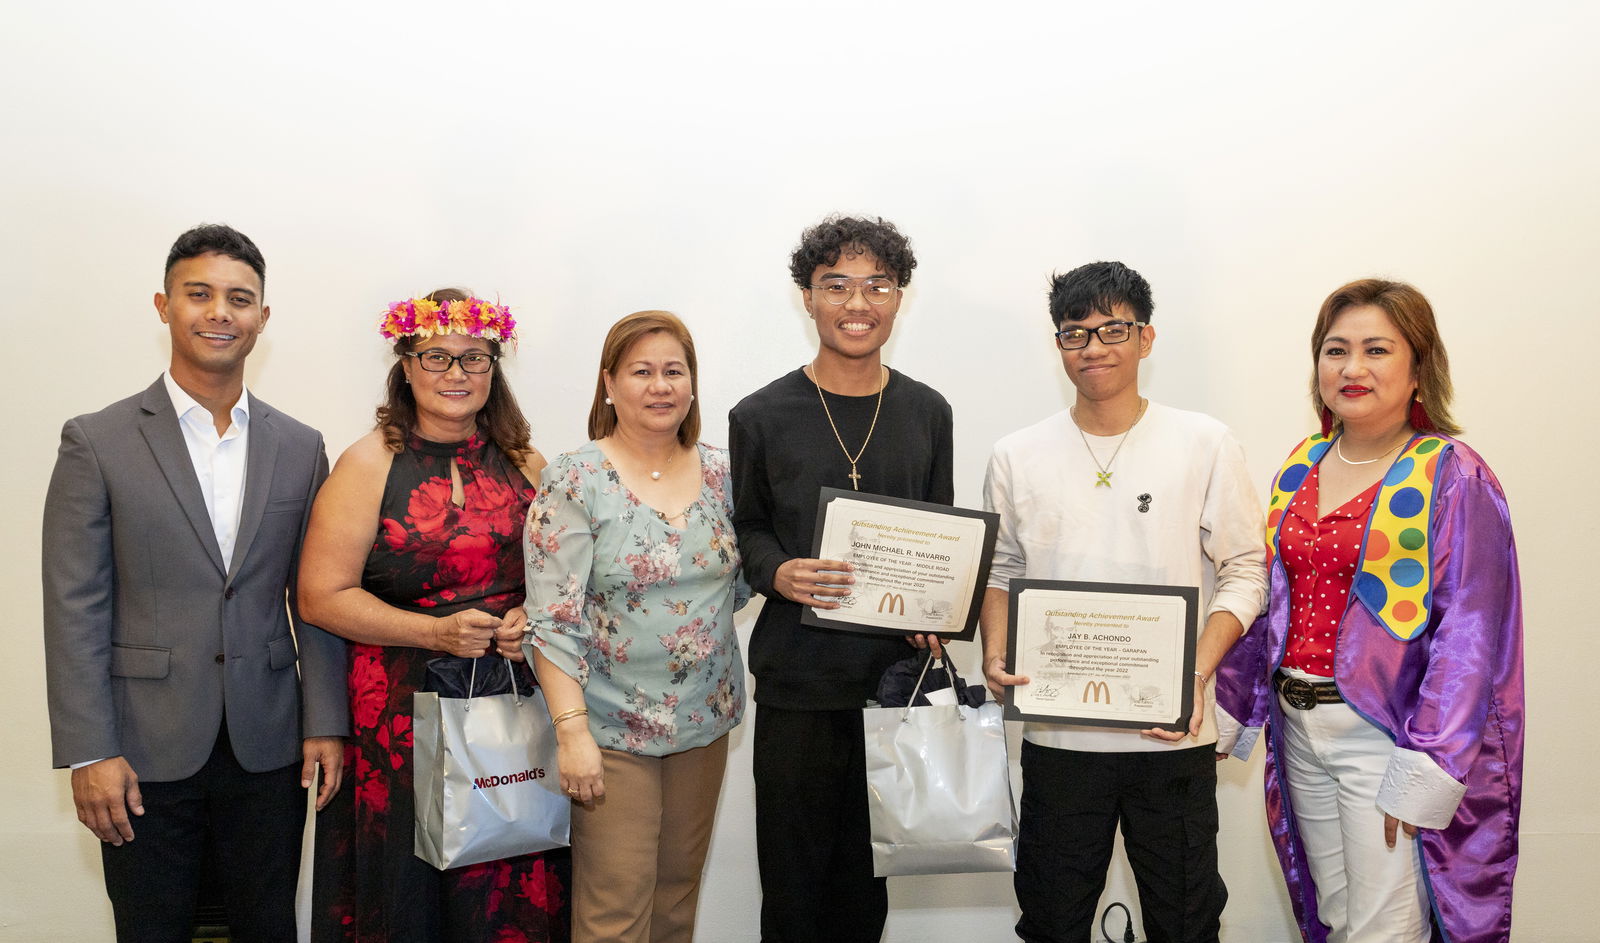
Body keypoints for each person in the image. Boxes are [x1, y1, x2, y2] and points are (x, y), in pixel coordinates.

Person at [42, 223, 347, 941]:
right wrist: (90, 750)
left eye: (239, 298)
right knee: (153, 927)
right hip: (142, 745)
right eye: (199, 293)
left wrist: (325, 720)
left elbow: (316, 596)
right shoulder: (97, 440)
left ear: (262, 319)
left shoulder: (301, 447)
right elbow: (73, 603)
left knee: (267, 923)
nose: (220, 312)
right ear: (164, 304)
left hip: (269, 740)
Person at [1214, 279, 1524, 943]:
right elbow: (1269, 598)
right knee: (1335, 915)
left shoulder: (1451, 472)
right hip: (1297, 727)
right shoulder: (1301, 465)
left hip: (1384, 736)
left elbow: (1469, 634)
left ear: (1419, 368)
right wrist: (1227, 702)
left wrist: (1427, 764)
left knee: (1387, 927)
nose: (1351, 368)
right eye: (1335, 350)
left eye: (1375, 349)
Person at [979, 261, 1267, 943]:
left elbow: (1246, 569)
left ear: (1146, 337)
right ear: (1058, 346)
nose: (1094, 346)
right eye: (1075, 332)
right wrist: (995, 649)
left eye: (1113, 328)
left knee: (1187, 921)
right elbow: (1001, 568)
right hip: (1058, 736)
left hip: (1170, 734)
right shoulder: (1016, 454)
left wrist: (1194, 675)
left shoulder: (1204, 441)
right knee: (1052, 920)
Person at [301, 289, 567, 942]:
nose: (456, 374)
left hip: (507, 706)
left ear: (493, 366)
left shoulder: (528, 462)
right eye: (437, 357)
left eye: (473, 358)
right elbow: (319, 594)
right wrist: (435, 631)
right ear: (407, 365)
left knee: (508, 877)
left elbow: (565, 577)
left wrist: (529, 614)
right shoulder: (368, 464)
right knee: (409, 890)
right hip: (398, 718)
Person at [728, 214, 953, 943]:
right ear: (808, 296)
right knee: (793, 888)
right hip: (797, 682)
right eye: (838, 286)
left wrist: (938, 609)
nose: (858, 303)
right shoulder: (758, 414)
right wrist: (778, 571)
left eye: (877, 286)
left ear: (899, 297)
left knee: (867, 889)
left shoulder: (927, 410)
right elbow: (748, 527)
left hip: (893, 684)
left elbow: (941, 533)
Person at [506, 310, 745, 943]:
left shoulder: (724, 473)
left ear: (692, 384)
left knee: (676, 899)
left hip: (705, 720)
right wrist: (572, 732)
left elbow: (739, 583)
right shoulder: (576, 478)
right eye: (642, 371)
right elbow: (551, 620)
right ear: (609, 384)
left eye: (674, 370)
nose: (660, 385)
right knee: (615, 910)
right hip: (609, 729)